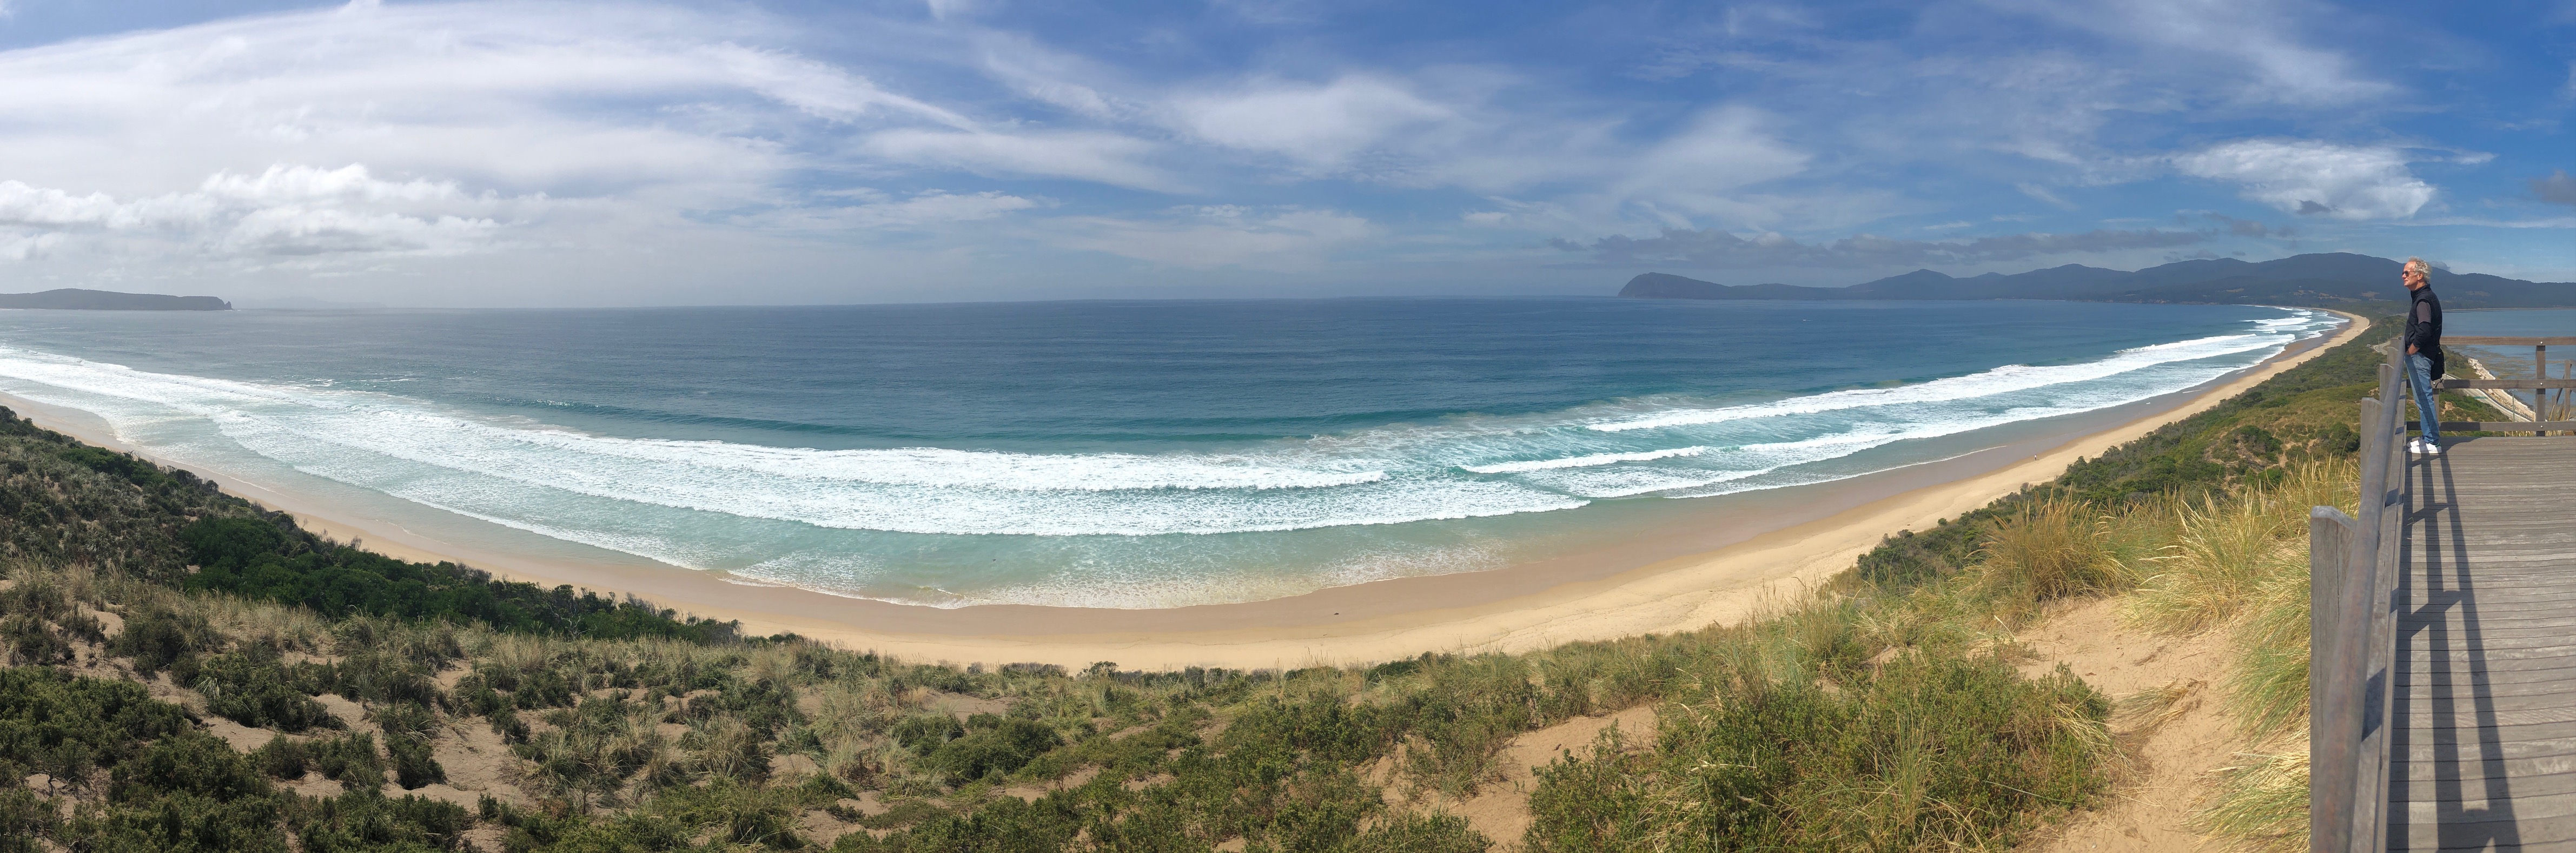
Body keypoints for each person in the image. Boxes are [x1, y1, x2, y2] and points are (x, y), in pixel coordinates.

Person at [2401, 256, 2445, 456]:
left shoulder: (2423, 299)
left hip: (2420, 357)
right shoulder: (2425, 296)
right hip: (2424, 355)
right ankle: (2428, 438)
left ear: (2420, 276)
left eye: (2407, 273)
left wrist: (2412, 350)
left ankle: (2433, 442)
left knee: (2424, 398)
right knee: (2422, 398)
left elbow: (2425, 328)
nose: (2403, 276)